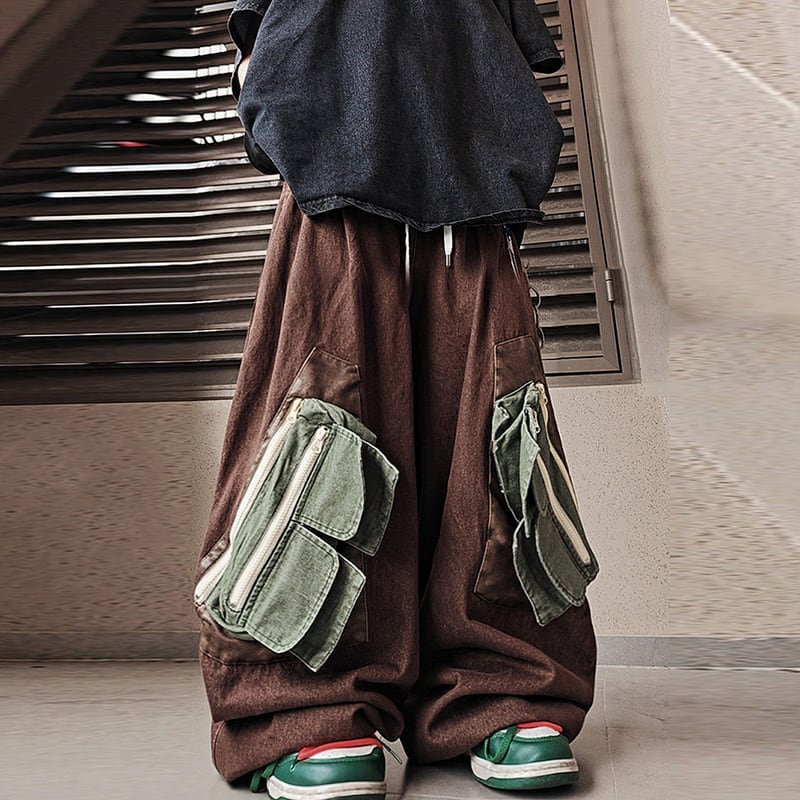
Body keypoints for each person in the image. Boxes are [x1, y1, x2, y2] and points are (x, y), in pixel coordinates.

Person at [193, 1, 600, 795]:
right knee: (322, 433)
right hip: (334, 168)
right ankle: (307, 707)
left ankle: (500, 691)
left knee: (496, 443)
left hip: (475, 166)